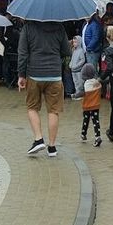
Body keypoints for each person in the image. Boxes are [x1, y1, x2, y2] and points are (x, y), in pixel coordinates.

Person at [18, 18, 72, 157]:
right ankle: (52, 147)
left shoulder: (28, 28)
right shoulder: (59, 27)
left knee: (32, 107)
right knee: (54, 110)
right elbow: (66, 51)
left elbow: (23, 53)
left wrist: (21, 75)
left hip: (34, 73)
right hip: (54, 74)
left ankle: (38, 138)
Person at [79, 63, 102, 147]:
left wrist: (74, 95)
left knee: (86, 120)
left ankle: (83, 134)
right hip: (96, 106)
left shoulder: (85, 84)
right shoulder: (97, 83)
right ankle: (97, 136)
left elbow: (81, 93)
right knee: (96, 121)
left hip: (87, 106)